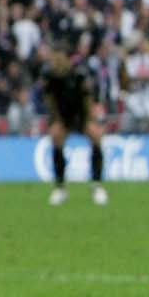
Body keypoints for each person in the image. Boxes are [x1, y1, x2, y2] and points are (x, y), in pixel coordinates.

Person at [39, 40, 108, 207]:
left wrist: (90, 119)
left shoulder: (80, 75)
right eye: (53, 59)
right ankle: (60, 187)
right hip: (64, 117)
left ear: (67, 59)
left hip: (81, 116)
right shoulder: (49, 77)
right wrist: (55, 120)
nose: (54, 63)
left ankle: (97, 186)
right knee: (55, 137)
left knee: (96, 136)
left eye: (57, 59)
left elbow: (88, 99)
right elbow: (50, 101)